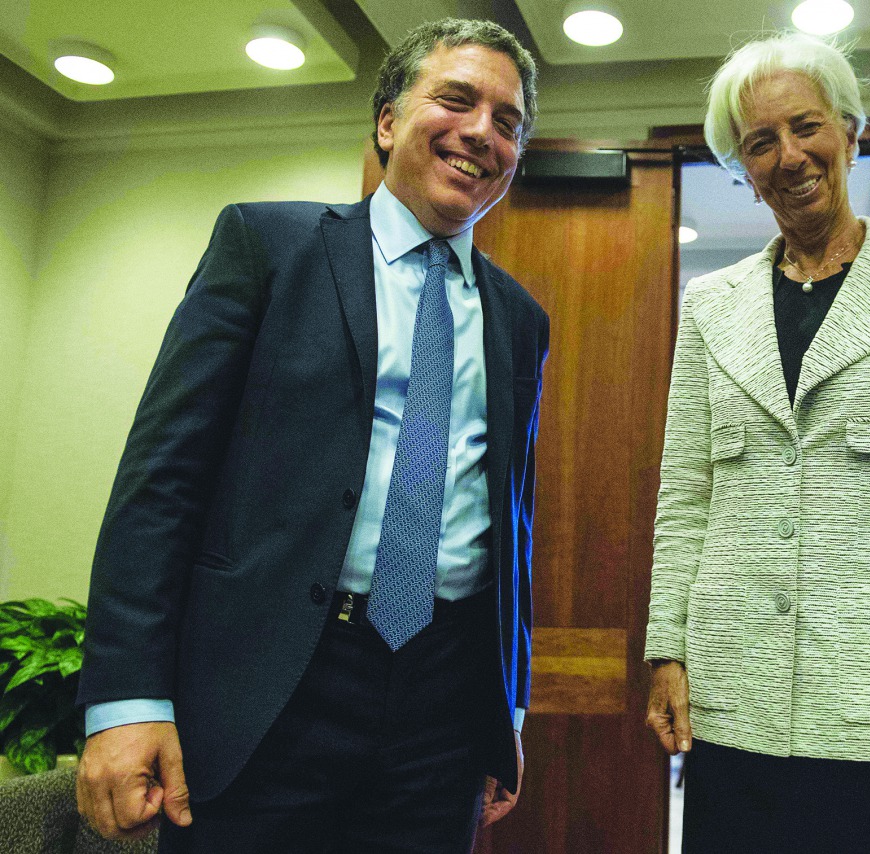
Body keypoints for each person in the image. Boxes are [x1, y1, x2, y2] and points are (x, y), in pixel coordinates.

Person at [74, 18, 549, 853]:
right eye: (456, 99)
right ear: (387, 120)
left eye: (507, 122)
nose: (482, 132)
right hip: (270, 687)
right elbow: (162, 481)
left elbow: (510, 520)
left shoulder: (520, 320)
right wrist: (128, 702)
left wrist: (502, 706)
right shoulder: (267, 246)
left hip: (441, 706)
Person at [643, 30, 870, 853]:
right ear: (741, 169)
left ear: (852, 131)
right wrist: (666, 650)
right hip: (732, 695)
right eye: (759, 142)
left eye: (806, 126)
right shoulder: (712, 303)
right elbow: (685, 494)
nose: (789, 156)